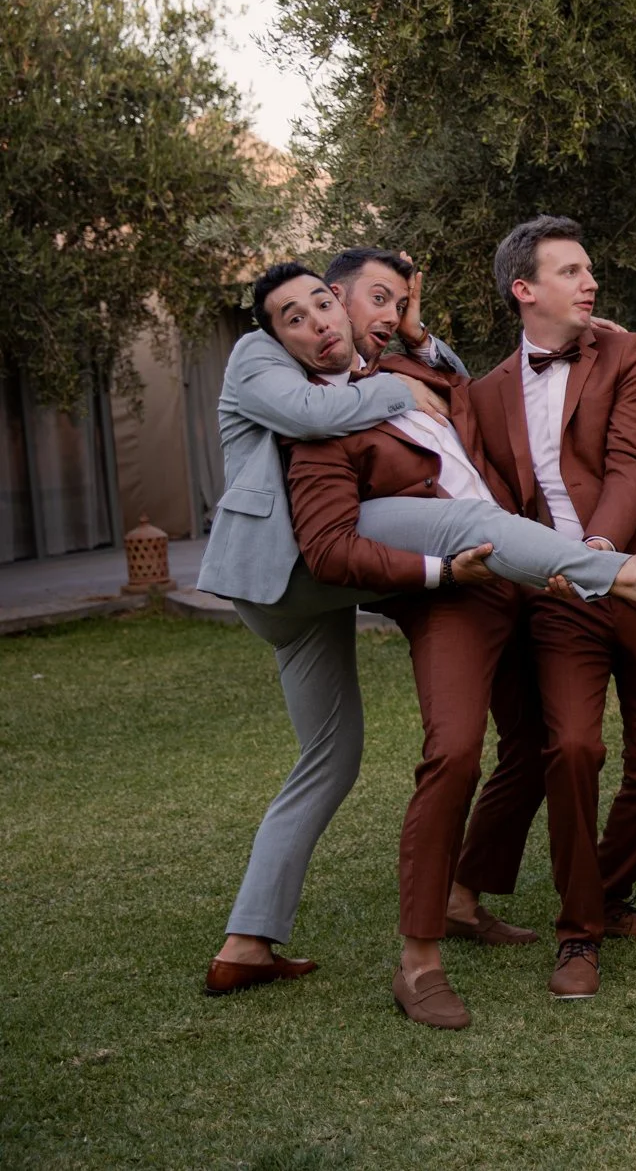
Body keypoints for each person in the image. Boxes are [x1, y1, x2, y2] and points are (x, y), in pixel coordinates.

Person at [448, 216, 636, 1001]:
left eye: (589, 268)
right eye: (570, 271)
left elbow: (633, 463)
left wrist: (593, 549)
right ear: (524, 290)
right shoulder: (485, 395)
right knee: (571, 750)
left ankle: (611, 890)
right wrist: (545, 569)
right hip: (556, 599)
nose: (589, 281)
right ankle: (577, 933)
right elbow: (491, 500)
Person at [199, 253, 470, 996]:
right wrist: (397, 387)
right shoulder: (258, 353)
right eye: (373, 300)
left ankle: (246, 942)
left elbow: (456, 393)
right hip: (287, 574)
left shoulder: (350, 353)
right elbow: (315, 416)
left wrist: (415, 344)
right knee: (455, 529)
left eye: (322, 306)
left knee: (330, 755)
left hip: (305, 599)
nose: (320, 322)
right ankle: (596, 571)